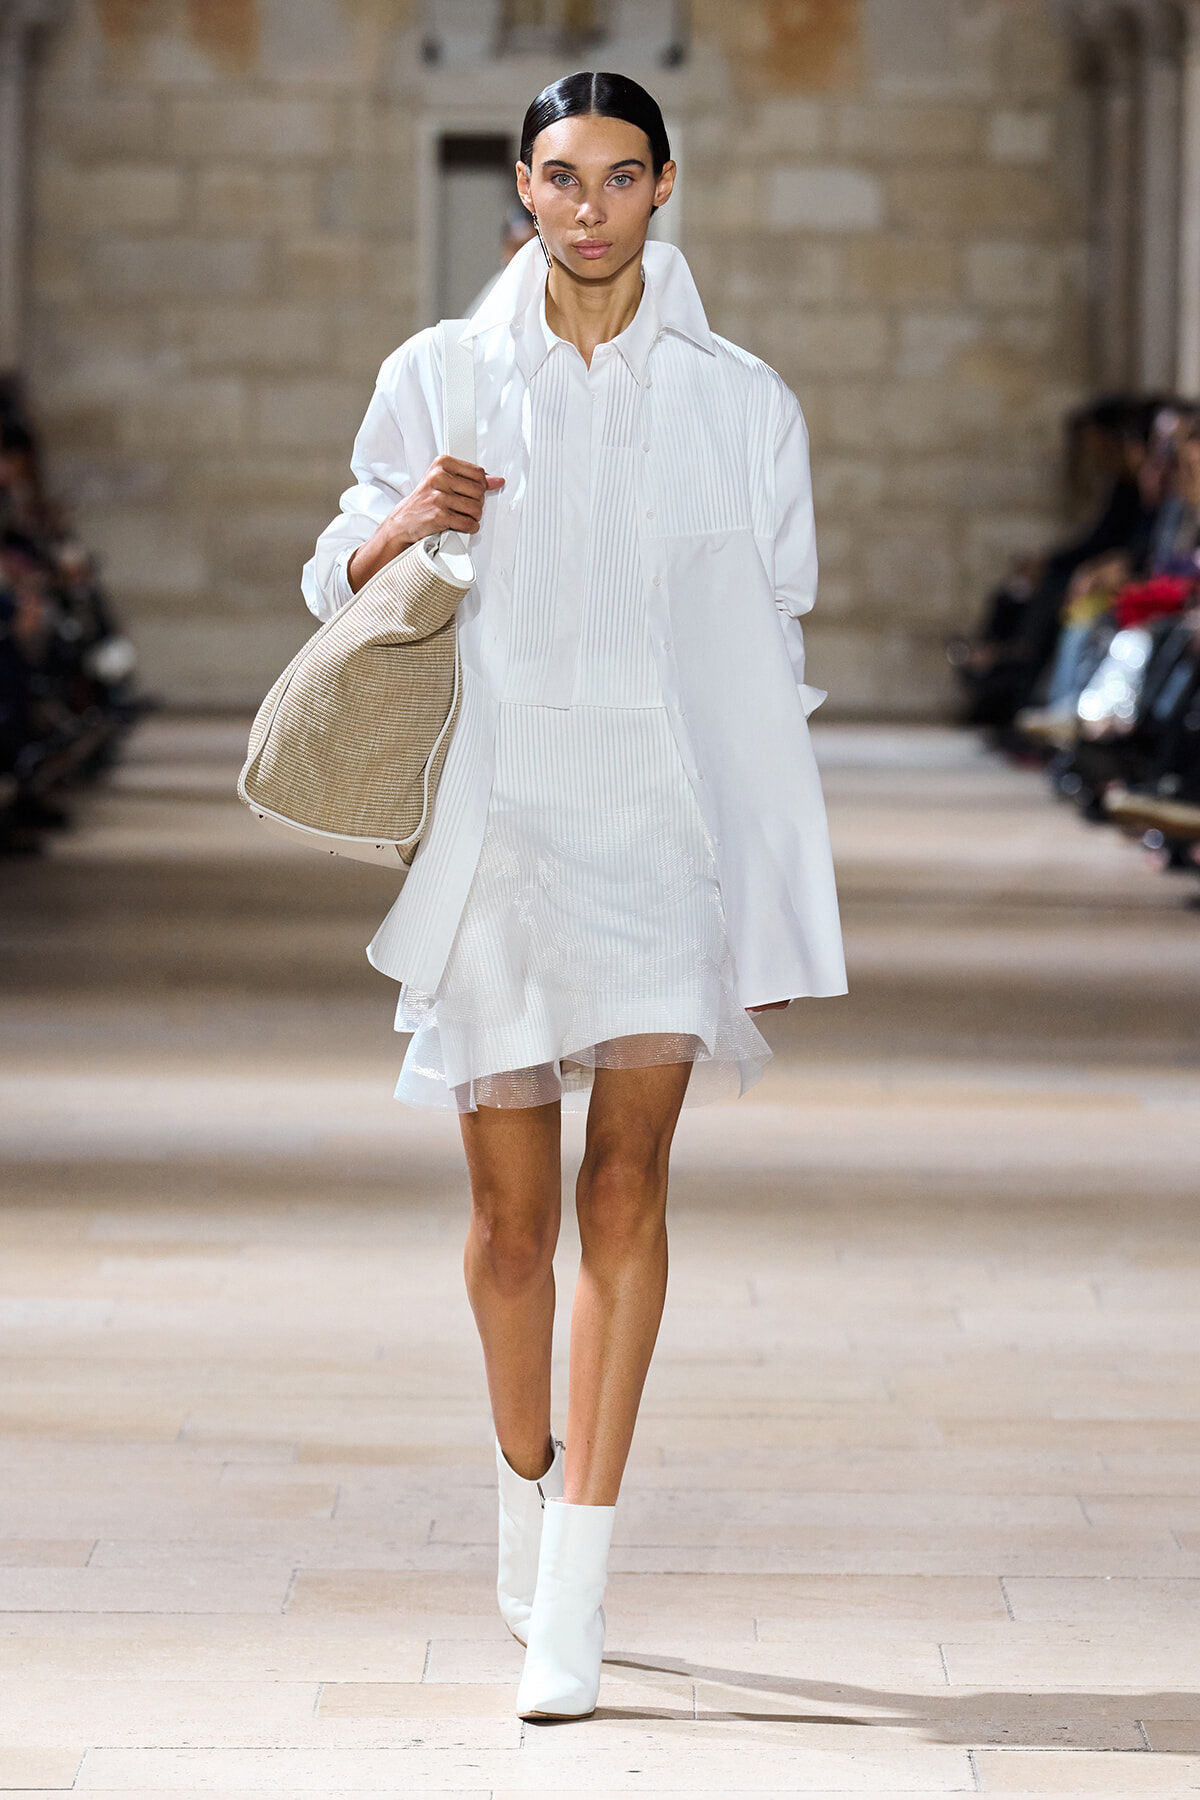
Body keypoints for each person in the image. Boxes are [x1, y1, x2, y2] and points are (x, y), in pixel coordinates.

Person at [302, 70, 845, 1722]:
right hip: (507, 820)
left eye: (621, 174)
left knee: (627, 1193)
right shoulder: (442, 372)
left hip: (662, 828)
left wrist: (757, 868)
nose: (589, 203)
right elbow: (337, 573)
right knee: (507, 1223)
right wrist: (407, 520)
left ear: (665, 187)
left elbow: (777, 634)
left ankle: (578, 1592)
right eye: (560, 174)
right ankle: (523, 1482)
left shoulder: (742, 399)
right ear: (519, 191)